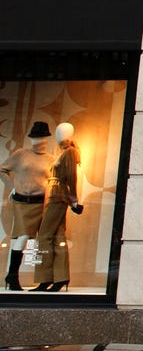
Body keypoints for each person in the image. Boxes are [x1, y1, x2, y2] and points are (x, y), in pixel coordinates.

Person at [0, 121, 55, 291]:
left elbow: (53, 181)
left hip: (39, 203)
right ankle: (12, 275)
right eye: (34, 137)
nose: (37, 141)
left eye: (40, 137)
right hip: (22, 200)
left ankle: (18, 277)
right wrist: (12, 187)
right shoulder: (21, 154)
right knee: (22, 236)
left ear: (46, 138)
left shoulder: (51, 159)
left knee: (33, 239)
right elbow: (2, 169)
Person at [31, 122, 82, 292]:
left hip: (58, 195)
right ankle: (60, 278)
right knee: (58, 236)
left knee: (44, 236)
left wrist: (74, 199)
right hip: (54, 194)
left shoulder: (70, 152)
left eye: (63, 131)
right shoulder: (63, 152)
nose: (59, 134)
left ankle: (44, 279)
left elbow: (72, 176)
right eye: (58, 131)